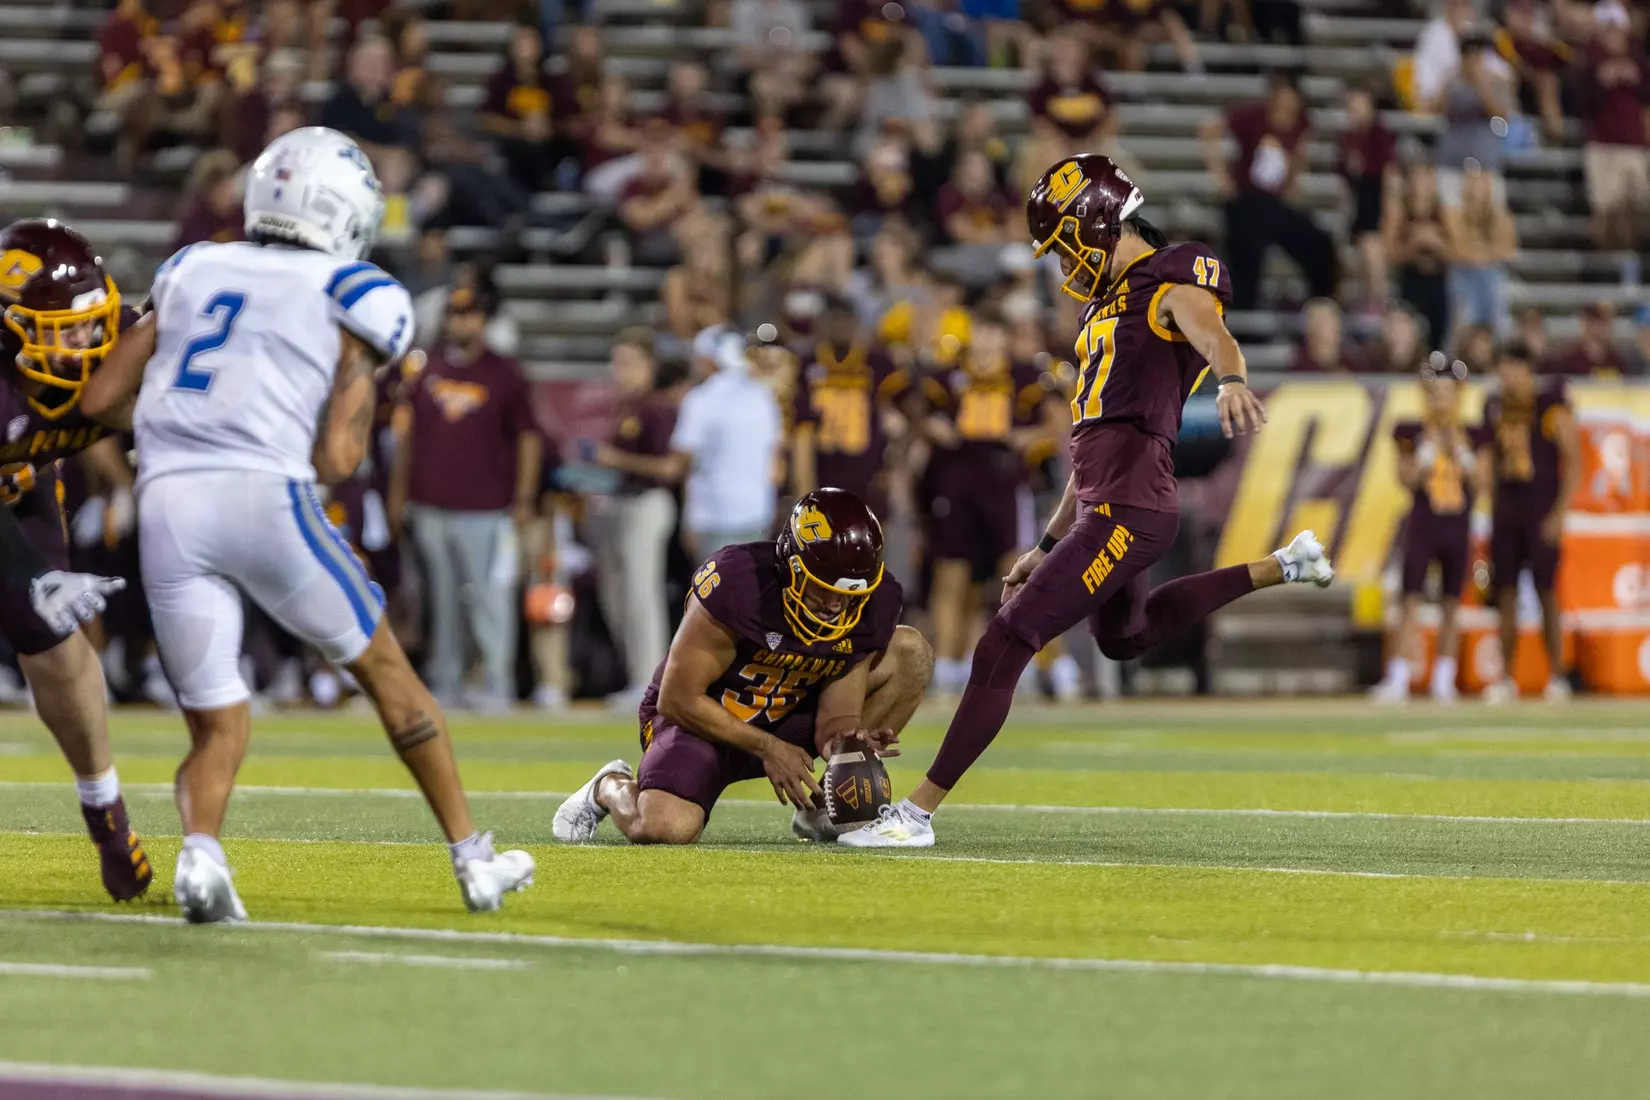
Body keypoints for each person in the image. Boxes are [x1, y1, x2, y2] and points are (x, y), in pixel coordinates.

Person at [81, 126, 534, 922]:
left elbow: (99, 400)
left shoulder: (193, 265)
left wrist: (171, 428)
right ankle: (473, 861)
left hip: (169, 503)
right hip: (266, 494)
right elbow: (337, 455)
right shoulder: (357, 290)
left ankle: (202, 856)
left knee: (218, 720)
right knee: (391, 679)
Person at [841, 154, 1335, 848]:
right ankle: (1283, 565)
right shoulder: (1107, 305)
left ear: (1099, 223)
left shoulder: (1168, 280)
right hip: (1110, 501)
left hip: (1132, 508)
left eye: (1067, 243)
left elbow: (1211, 329)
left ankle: (916, 815)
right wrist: (1044, 545)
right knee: (1125, 637)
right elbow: (1086, 454)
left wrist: (1230, 379)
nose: (1063, 265)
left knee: (1007, 637)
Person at [551, 489, 934, 845]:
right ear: (791, 566)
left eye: (848, 594)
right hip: (701, 724)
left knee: (910, 651)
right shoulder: (739, 582)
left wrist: (845, 746)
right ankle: (609, 785)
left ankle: (823, 807)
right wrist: (768, 747)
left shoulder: (872, 604)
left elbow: (836, 714)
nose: (836, 605)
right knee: (664, 827)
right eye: (823, 588)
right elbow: (678, 698)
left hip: (786, 712)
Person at [0, 218, 151, 901]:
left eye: (85, 324)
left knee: (57, 646)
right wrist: (36, 577)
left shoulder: (125, 337)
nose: (80, 342)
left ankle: (106, 811)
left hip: (24, 483)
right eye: (55, 329)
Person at [390, 283, 542, 712]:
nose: (461, 321)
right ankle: (446, 680)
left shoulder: (504, 372)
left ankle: (496, 683)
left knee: (487, 599)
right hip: (431, 503)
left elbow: (528, 438)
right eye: (456, 313)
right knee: (441, 600)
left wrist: (525, 496)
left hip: (487, 507)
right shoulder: (428, 368)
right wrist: (398, 495)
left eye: (470, 313)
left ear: (484, 319)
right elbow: (408, 437)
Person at [919, 309, 1053, 695]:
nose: (987, 339)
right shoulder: (948, 375)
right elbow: (925, 416)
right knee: (952, 574)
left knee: (1013, 571)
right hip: (957, 480)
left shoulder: (1024, 376)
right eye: (983, 329)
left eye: (995, 331)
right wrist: (936, 428)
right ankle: (945, 666)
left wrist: (1024, 438)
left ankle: (1019, 661)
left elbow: (1052, 424)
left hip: (1004, 480)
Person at [1371, 361, 1483, 704]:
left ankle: (1444, 677)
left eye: (1447, 394)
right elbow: (1406, 481)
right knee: (1410, 599)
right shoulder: (1412, 431)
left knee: (1452, 601)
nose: (1441, 401)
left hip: (1456, 522)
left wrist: (1461, 453)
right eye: (1435, 394)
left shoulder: (1475, 434)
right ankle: (1400, 676)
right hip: (1424, 522)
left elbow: (1482, 483)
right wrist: (1427, 452)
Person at [1475, 342, 1579, 703]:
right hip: (1507, 508)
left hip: (1539, 507)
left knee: (1547, 592)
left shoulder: (1551, 404)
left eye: (1511, 367)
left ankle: (1558, 674)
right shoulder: (1494, 406)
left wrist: (1558, 513)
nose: (1505, 375)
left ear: (1527, 368)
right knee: (1504, 592)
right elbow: (1487, 458)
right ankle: (1506, 676)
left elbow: (1574, 462)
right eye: (1501, 368)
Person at [586, 328, 680, 710]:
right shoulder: (627, 406)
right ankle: (634, 677)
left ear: (649, 366)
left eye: (628, 361)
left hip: (648, 503)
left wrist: (614, 460)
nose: (619, 369)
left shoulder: (658, 407)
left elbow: (668, 468)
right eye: (617, 360)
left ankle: (650, 680)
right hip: (621, 502)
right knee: (618, 597)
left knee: (642, 596)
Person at [1202, 71, 1337, 311]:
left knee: (1319, 244)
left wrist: (1291, 181)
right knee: (1248, 256)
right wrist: (1222, 178)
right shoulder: (1252, 116)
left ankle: (1321, 305)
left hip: (1274, 205)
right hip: (1246, 201)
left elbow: (1299, 154)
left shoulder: (1302, 123)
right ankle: (1244, 317)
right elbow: (1209, 130)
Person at [670, 330, 784, 560]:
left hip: (711, 515)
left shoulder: (700, 399)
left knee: (712, 592)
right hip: (757, 512)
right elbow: (776, 465)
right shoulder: (763, 396)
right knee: (752, 591)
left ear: (709, 359)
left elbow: (682, 462)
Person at [791, 297, 910, 512]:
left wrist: (892, 464)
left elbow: (908, 412)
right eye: (833, 320)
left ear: (855, 323)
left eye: (845, 320)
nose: (839, 327)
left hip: (866, 473)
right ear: (821, 324)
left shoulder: (877, 362)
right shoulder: (806, 363)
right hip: (822, 470)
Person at [1444, 167, 1517, 340]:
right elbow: (1455, 249)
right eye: (1473, 180)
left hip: (1490, 278)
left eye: (1483, 180)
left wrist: (1476, 253)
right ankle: (1462, 340)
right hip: (1463, 276)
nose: (1478, 185)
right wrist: (1486, 254)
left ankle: (1498, 340)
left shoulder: (1500, 215)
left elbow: (1508, 250)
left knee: (1495, 279)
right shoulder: (1453, 214)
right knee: (1461, 280)